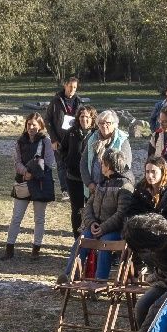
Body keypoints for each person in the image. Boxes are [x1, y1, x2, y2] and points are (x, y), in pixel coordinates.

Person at [74, 149, 133, 283]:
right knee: (82, 239)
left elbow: (121, 214)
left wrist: (103, 228)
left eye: (103, 164)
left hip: (115, 230)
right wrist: (91, 223)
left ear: (109, 166)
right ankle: (70, 276)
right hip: (96, 226)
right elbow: (88, 206)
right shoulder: (102, 182)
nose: (101, 166)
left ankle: (100, 282)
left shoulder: (125, 186)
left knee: (105, 244)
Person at [4, 112, 57, 258]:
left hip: (40, 183)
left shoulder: (45, 141)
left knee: (39, 218)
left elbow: (49, 163)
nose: (31, 127)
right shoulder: (20, 141)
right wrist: (25, 172)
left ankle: (36, 248)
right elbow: (17, 161)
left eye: (34, 124)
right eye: (29, 124)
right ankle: (9, 247)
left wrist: (33, 174)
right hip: (23, 182)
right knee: (16, 216)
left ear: (40, 126)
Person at [55, 101, 98, 236]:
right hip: (74, 178)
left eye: (87, 117)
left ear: (92, 119)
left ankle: (90, 238)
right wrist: (67, 161)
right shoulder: (72, 132)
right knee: (77, 209)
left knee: (93, 210)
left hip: (92, 180)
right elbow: (62, 149)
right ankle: (77, 239)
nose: (84, 119)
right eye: (81, 116)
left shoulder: (96, 134)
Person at [82, 110, 133, 202]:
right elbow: (84, 162)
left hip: (112, 190)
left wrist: (106, 186)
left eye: (108, 123)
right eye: (101, 123)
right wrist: (89, 183)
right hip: (92, 188)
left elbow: (125, 167)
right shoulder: (92, 138)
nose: (104, 125)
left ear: (115, 124)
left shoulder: (122, 141)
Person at [128, 157, 167, 224]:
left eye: (154, 172)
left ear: (163, 172)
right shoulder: (141, 188)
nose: (150, 175)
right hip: (142, 229)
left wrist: (156, 224)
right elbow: (132, 211)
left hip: (164, 231)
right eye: (147, 172)